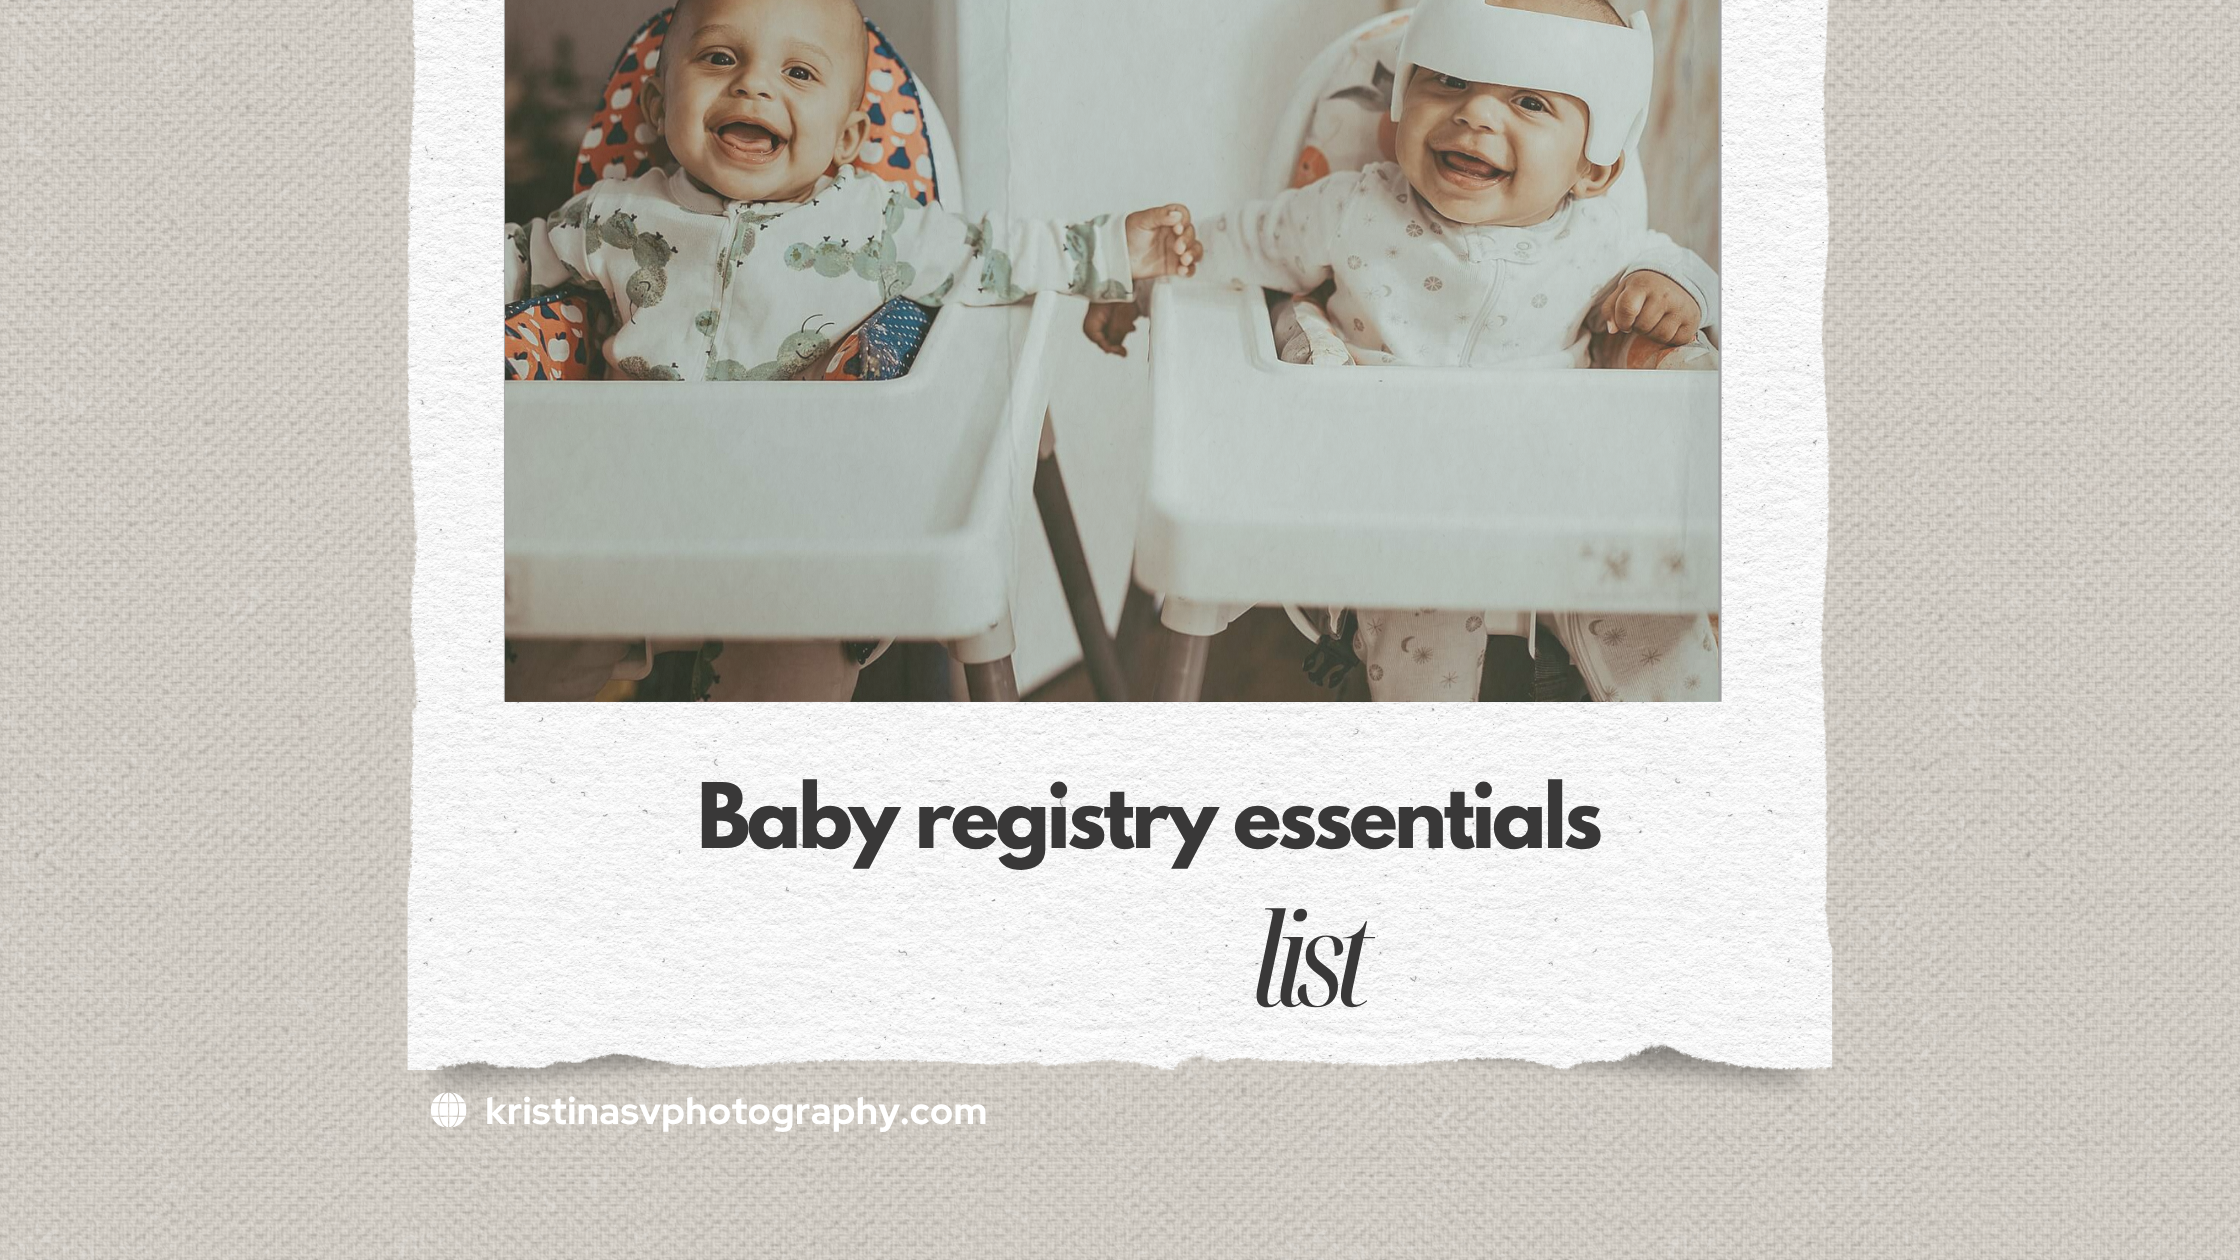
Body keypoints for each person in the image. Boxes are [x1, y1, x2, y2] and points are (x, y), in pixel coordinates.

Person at [503, 0, 1201, 700]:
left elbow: (990, 254)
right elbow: (517, 260)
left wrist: (1110, 252)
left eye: (799, 71)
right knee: (535, 635)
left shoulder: (873, 227)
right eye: (720, 58)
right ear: (656, 104)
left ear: (847, 137)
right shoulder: (612, 216)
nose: (753, 86)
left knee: (786, 684)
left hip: (802, 535)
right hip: (624, 519)